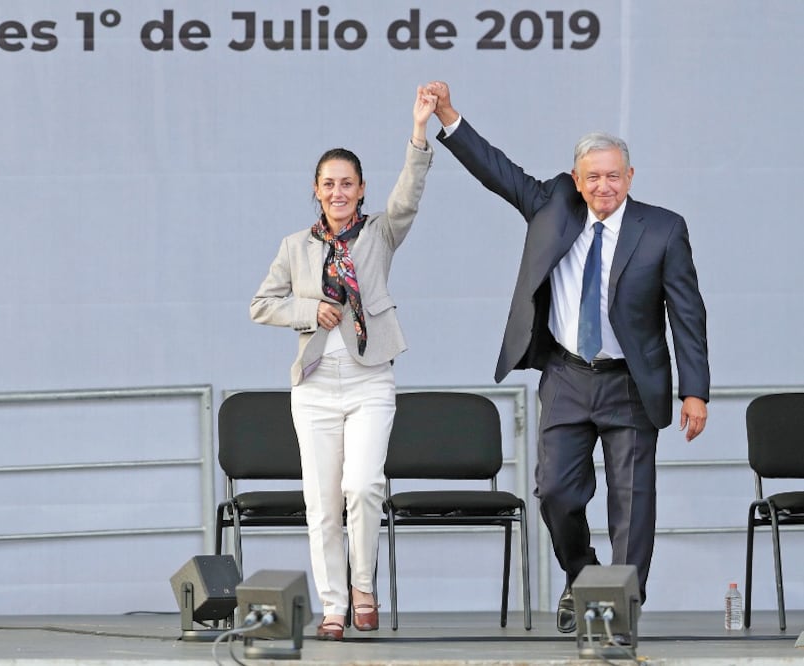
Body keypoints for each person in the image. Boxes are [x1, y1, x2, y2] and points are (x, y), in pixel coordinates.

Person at [424, 81, 709, 633]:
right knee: (554, 491)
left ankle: (620, 611)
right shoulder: (552, 203)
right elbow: (497, 171)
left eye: (613, 176)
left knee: (632, 504)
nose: (603, 186)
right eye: (593, 176)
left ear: (630, 177)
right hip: (567, 376)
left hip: (632, 382)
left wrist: (694, 390)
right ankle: (583, 575)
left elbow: (687, 315)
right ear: (576, 179)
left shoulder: (664, 229)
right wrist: (450, 116)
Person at [250, 87, 437, 641]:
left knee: (363, 485)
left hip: (369, 378)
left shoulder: (380, 232)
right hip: (313, 387)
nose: (338, 192)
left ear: (361, 189)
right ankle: (333, 606)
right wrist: (309, 309)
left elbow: (409, 193)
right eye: (329, 184)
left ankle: (363, 588)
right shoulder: (295, 246)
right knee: (322, 503)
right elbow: (262, 304)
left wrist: (419, 130)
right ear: (316, 189)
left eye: (347, 183)